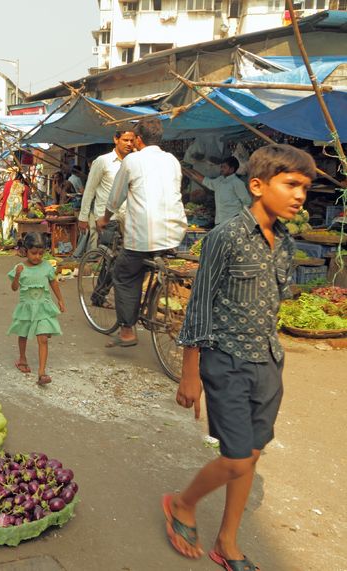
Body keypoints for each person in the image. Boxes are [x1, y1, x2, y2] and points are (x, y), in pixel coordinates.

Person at [167, 144, 315, 569]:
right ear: (257, 185)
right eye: (290, 184)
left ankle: (227, 541)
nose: (299, 195)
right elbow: (200, 305)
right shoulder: (225, 236)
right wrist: (189, 374)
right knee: (234, 458)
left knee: (250, 454)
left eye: (304, 187)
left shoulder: (285, 243)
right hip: (226, 359)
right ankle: (182, 503)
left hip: (268, 362)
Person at [96, 118, 187, 348]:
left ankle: (127, 331)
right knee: (144, 265)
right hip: (174, 234)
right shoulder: (172, 160)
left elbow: (115, 198)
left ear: (138, 139)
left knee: (125, 274)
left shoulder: (132, 160)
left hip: (144, 235)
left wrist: (105, 218)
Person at [8, 233, 66, 386]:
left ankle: (41, 372)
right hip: (26, 307)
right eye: (34, 253)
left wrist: (60, 300)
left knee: (43, 339)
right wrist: (17, 276)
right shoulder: (19, 267)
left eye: (41, 253)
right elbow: (14, 288)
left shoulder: (46, 266)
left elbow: (53, 282)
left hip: (43, 307)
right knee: (23, 334)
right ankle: (22, 359)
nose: (37, 257)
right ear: (25, 251)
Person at [78, 130, 136, 250]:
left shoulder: (134, 162)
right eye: (125, 140)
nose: (129, 144)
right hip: (107, 219)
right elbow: (90, 190)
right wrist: (83, 218)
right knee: (108, 254)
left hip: (128, 218)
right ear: (116, 139)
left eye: (132, 140)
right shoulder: (102, 161)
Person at [183, 157, 251, 226]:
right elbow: (205, 181)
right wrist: (189, 170)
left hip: (232, 222)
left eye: (224, 167)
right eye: (221, 167)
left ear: (232, 169)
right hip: (219, 221)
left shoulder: (237, 183)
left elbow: (247, 202)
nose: (221, 169)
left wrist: (241, 220)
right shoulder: (220, 180)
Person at [0, 171, 30, 241]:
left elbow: (4, 194)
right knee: (16, 223)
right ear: (21, 178)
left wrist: (0, 203)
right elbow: (25, 198)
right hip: (18, 206)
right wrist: (25, 208)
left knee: (7, 222)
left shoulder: (8, 183)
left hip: (9, 205)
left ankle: (5, 239)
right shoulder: (23, 186)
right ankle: (17, 240)